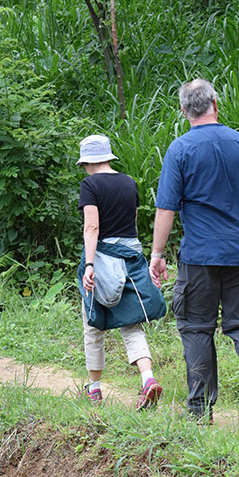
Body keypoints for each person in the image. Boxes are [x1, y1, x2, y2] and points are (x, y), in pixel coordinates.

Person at [149, 78, 239, 425]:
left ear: (184, 111)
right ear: (215, 103)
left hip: (199, 257)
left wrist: (157, 253)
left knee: (196, 327)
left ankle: (199, 409)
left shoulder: (180, 149)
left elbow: (166, 208)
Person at [76, 134, 165, 409]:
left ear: (87, 162)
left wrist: (89, 265)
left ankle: (94, 390)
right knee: (130, 321)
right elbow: (133, 225)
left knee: (93, 321)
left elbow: (92, 227)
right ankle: (148, 379)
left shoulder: (89, 185)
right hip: (131, 259)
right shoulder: (129, 182)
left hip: (102, 259)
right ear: (108, 157)